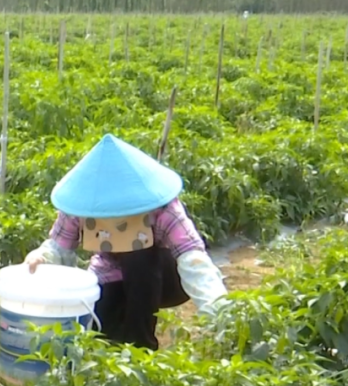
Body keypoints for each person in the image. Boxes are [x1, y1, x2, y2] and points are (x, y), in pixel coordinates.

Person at [23, 133, 228, 351]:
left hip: (162, 277)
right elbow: (58, 247)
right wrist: (42, 257)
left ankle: (143, 347)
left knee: (139, 255)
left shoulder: (164, 210)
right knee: (99, 334)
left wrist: (222, 316)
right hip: (110, 271)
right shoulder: (80, 207)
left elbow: (194, 261)